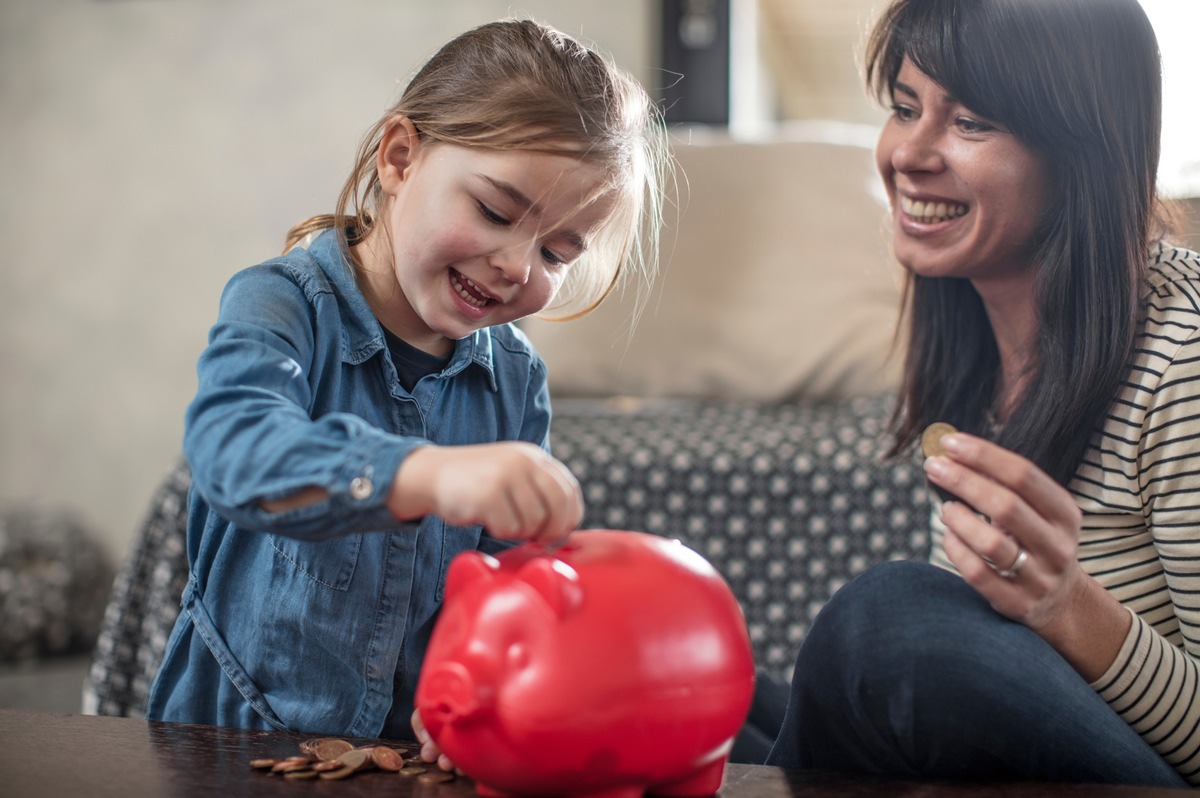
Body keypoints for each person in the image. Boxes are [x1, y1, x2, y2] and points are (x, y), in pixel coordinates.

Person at [146, 18, 667, 747]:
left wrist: (484, 684)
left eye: (556, 253)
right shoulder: (281, 303)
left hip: (407, 756)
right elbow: (235, 451)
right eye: (495, 211)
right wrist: (422, 474)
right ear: (399, 157)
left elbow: (498, 588)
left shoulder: (516, 381)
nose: (519, 266)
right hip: (231, 744)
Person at [762, 0, 1199, 787]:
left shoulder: (1185, 350)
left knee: (882, 622)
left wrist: (1067, 605)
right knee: (707, 679)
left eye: (971, 122)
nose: (909, 153)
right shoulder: (974, 321)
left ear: (1081, 153)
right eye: (904, 108)